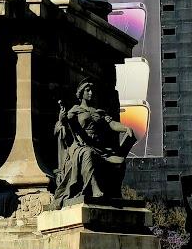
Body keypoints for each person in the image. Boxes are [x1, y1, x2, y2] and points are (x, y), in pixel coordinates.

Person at [51, 80, 137, 208]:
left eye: (91, 90)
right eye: (87, 90)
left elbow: (112, 124)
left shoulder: (99, 112)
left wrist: (126, 128)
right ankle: (93, 188)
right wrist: (61, 118)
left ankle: (114, 191)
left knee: (119, 160)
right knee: (87, 153)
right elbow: (62, 126)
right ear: (81, 93)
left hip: (99, 148)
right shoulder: (75, 110)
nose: (91, 93)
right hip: (80, 146)